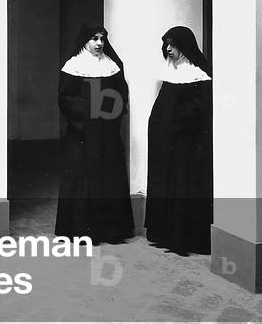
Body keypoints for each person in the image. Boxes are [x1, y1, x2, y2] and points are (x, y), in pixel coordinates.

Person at [54, 21, 134, 245]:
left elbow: (121, 93)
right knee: (82, 178)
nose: (99, 43)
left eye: (102, 39)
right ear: (85, 41)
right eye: (94, 39)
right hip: (82, 134)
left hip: (107, 131)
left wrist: (108, 113)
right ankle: (81, 230)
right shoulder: (73, 65)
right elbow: (66, 98)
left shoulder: (112, 65)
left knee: (109, 176)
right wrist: (90, 115)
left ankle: (111, 231)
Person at [145, 25, 213, 255]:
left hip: (185, 143)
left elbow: (197, 109)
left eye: (173, 45)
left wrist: (173, 123)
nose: (169, 48)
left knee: (182, 185)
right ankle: (164, 234)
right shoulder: (170, 71)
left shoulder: (197, 74)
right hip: (166, 142)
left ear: (185, 47)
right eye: (167, 44)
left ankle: (182, 237)